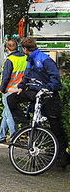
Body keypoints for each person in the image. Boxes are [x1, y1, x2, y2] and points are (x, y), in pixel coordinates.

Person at [7, 37, 69, 168]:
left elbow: (56, 80)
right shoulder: (29, 60)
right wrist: (21, 87)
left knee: (55, 125)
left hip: (49, 95)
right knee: (11, 98)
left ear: (25, 49)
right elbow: (26, 77)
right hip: (35, 93)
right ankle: (24, 126)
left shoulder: (45, 59)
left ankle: (63, 155)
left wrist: (48, 88)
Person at [0, 40, 26, 145]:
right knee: (6, 114)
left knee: (10, 115)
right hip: (20, 90)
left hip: (9, 91)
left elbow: (5, 77)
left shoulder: (9, 60)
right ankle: (1, 137)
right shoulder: (25, 58)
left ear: (7, 49)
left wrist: (1, 88)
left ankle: (15, 138)